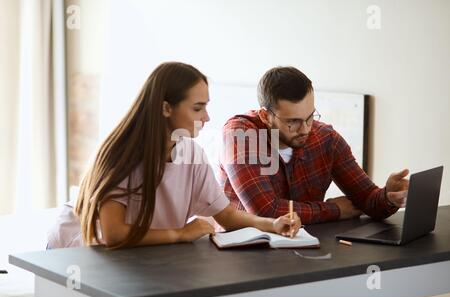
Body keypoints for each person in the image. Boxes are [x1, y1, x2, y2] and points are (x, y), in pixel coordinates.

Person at [47, 62, 301, 250]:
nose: (207, 117)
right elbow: (114, 234)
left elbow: (226, 215)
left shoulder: (192, 154)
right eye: (197, 108)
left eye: (206, 106)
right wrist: (180, 233)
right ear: (166, 108)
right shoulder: (122, 154)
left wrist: (271, 224)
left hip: (129, 254)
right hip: (74, 252)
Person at [219, 66, 409, 224]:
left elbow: (367, 200)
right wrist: (334, 210)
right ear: (265, 116)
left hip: (306, 251)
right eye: (292, 122)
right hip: (242, 255)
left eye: (310, 117)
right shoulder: (242, 134)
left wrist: (388, 197)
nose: (305, 129)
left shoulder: (326, 139)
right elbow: (266, 212)